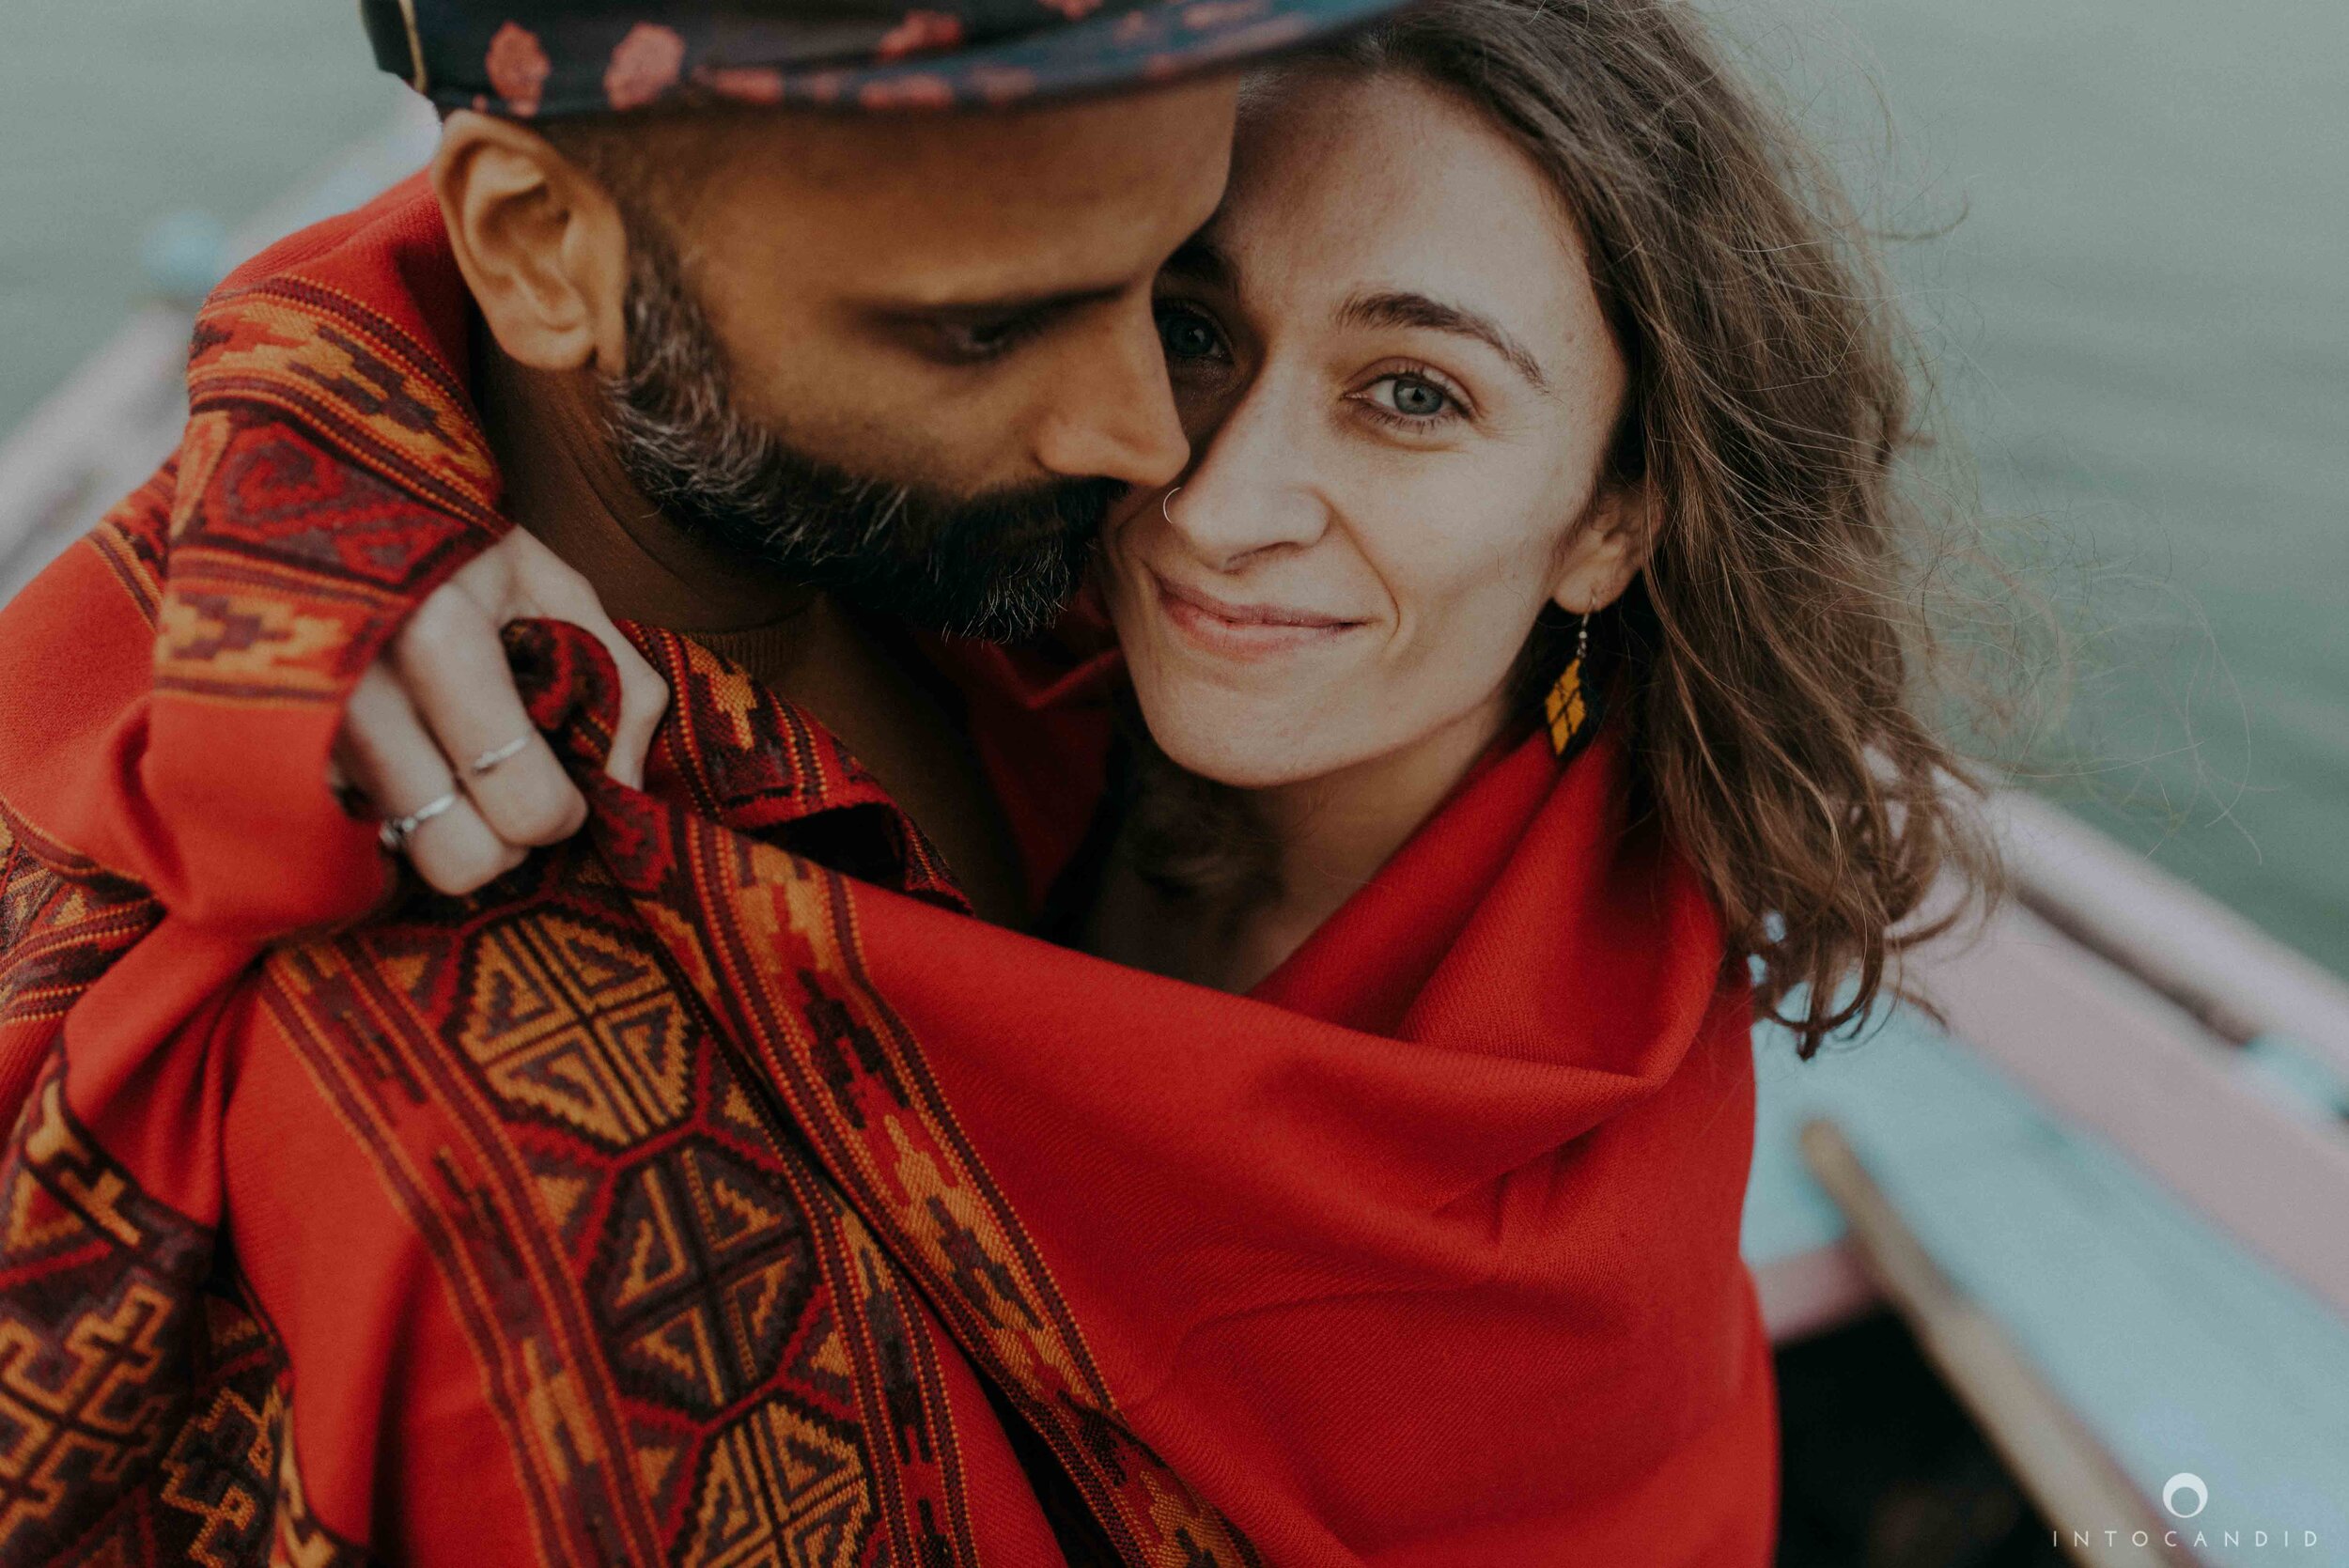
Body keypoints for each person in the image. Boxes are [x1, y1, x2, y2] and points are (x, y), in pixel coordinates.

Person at [0, 5, 1999, 1568]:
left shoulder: (1567, 1090)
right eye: (1182, 321)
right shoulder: (1027, 626)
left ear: (1612, 520)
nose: (1183, 473)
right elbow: (522, 247)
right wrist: (344, 471)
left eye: (1413, 394)